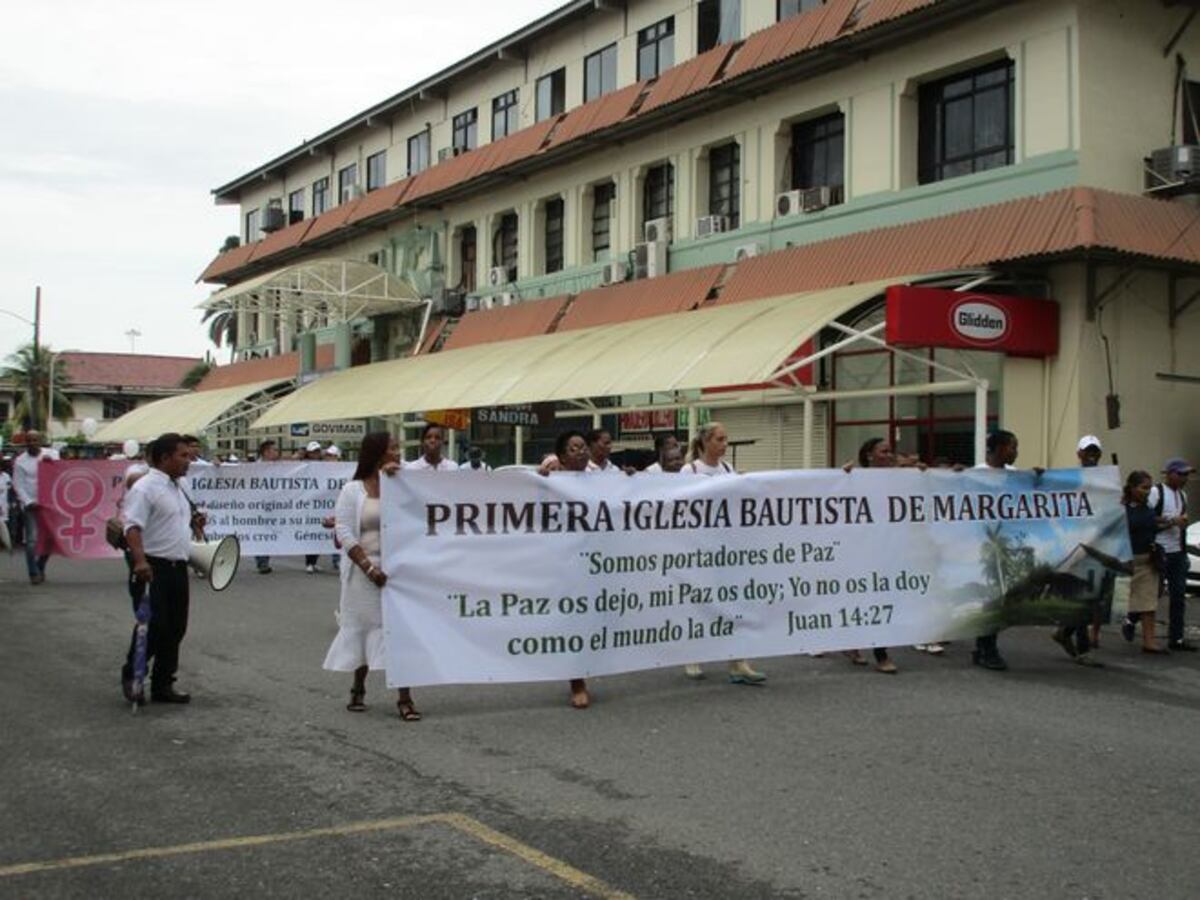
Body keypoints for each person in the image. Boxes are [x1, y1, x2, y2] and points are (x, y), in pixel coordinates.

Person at [323, 431, 421, 721]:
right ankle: (358, 686)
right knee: (364, 631)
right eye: (393, 448)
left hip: (397, 573)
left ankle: (405, 697)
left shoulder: (402, 484)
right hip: (363, 574)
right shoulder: (352, 490)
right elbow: (345, 532)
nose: (398, 452)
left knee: (400, 634)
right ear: (378, 453)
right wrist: (369, 568)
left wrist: (399, 483)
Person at [120, 433, 205, 705]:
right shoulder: (145, 488)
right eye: (182, 455)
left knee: (176, 628)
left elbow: (181, 520)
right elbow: (132, 526)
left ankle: (163, 684)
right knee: (154, 625)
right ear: (165, 458)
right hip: (152, 566)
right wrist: (140, 561)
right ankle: (133, 677)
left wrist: (197, 522)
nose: (188, 460)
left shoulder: (181, 486)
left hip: (177, 566)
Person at [682, 422, 767, 685]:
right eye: (719, 439)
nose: (724, 444)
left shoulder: (728, 469)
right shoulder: (690, 470)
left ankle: (737, 661)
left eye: (726, 439)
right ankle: (693, 654)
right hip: (699, 545)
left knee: (734, 601)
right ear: (705, 442)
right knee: (701, 600)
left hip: (728, 547)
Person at [538, 429, 596, 709]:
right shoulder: (551, 480)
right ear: (561, 457)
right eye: (574, 449)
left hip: (597, 562)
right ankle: (577, 681)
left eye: (583, 447)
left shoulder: (602, 478)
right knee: (574, 618)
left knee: (591, 619)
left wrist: (630, 478)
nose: (581, 452)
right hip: (564, 561)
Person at [841, 438, 903, 673]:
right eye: (883, 451)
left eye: (890, 452)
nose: (889, 455)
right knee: (863, 597)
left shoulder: (900, 478)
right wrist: (842, 476)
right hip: (860, 549)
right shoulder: (854, 478)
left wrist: (925, 474)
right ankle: (873, 650)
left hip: (887, 547)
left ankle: (870, 647)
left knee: (881, 597)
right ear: (869, 456)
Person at [1050, 435, 1108, 666]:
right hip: (1074, 545)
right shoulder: (1069, 480)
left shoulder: (1107, 481)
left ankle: (1066, 633)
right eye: (1088, 451)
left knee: (1092, 596)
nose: (1092, 455)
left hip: (1098, 545)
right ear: (1079, 454)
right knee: (1081, 595)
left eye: (1095, 451)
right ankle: (1079, 646)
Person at [1128, 458, 1196, 652]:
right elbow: (1146, 517)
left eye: (1187, 475)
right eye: (1181, 474)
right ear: (1170, 474)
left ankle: (1177, 637)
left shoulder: (1183, 495)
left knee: (1178, 595)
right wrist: (1171, 521)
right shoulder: (1156, 492)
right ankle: (1131, 618)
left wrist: (1180, 524)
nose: (1185, 478)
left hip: (1177, 551)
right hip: (1159, 549)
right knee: (1152, 594)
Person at [972, 429, 1020, 671]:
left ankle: (984, 645)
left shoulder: (1017, 476)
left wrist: (1041, 478)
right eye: (1013, 447)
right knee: (992, 596)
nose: (1016, 452)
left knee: (1000, 598)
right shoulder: (976, 475)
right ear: (1000, 448)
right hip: (983, 546)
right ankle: (987, 647)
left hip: (1007, 545)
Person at [1122, 470, 1169, 654]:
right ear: (1132, 488)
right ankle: (1093, 636)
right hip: (1127, 560)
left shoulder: (1147, 507)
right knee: (1113, 602)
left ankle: (1149, 641)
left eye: (1149, 487)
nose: (1147, 491)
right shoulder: (1123, 508)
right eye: (1143, 487)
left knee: (1149, 603)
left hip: (1148, 559)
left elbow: (1150, 527)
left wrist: (1168, 523)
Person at [13, 430, 58, 585]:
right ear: (25, 442)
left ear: (40, 441)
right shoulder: (20, 461)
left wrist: (51, 463)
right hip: (31, 506)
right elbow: (18, 484)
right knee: (32, 540)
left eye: (35, 440)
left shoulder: (52, 454)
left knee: (50, 539)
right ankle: (33, 572)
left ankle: (40, 566)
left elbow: (61, 472)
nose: (32, 443)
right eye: (29, 440)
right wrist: (28, 501)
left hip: (49, 505)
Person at [254, 439, 281, 574]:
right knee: (261, 532)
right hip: (258, 507)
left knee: (270, 532)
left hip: (274, 506)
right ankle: (262, 561)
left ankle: (264, 560)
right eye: (274, 450)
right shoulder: (252, 468)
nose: (277, 453)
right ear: (266, 452)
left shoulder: (279, 467)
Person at [302, 440, 325, 574]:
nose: (316, 454)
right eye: (313, 452)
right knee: (310, 534)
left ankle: (314, 562)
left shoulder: (324, 465)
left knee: (318, 533)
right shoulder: (303, 465)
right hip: (308, 504)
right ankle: (309, 562)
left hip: (320, 503)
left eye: (317, 451)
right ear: (309, 453)